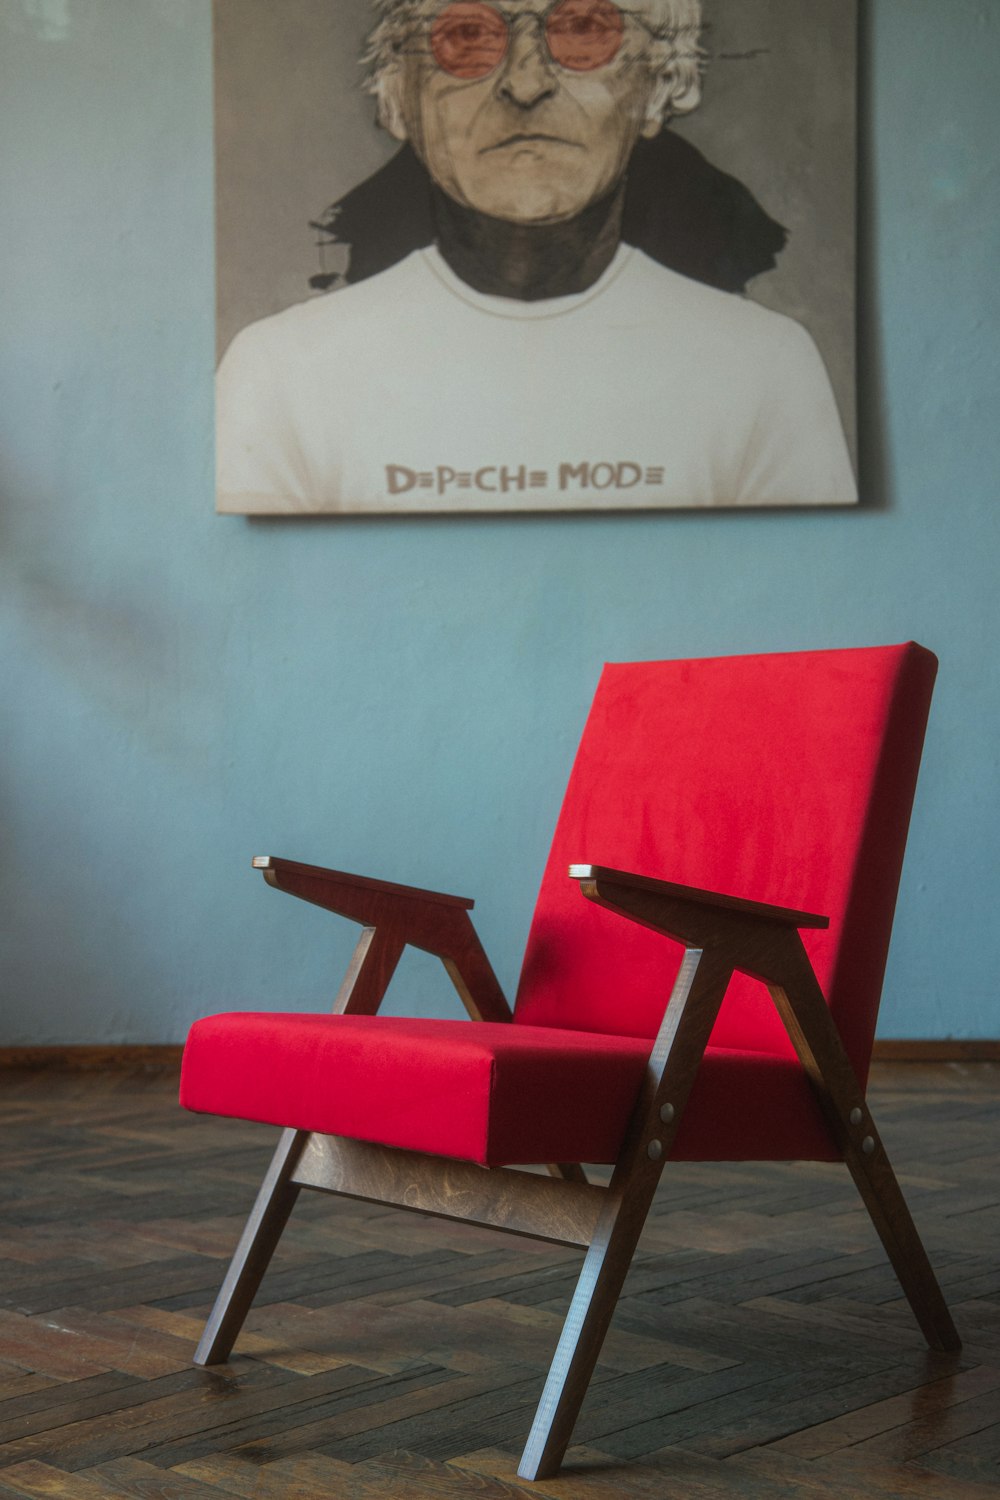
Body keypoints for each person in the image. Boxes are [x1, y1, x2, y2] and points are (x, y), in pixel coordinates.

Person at [216, 0, 857, 514]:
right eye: (466, 35)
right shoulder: (281, 376)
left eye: (584, 30)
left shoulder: (762, 369)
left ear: (664, 82)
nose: (524, 83)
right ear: (396, 97)